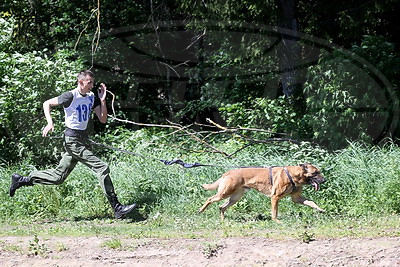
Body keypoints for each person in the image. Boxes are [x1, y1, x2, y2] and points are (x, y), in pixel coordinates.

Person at [9, 70, 137, 219]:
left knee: (58, 177)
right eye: (89, 83)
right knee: (102, 167)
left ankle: (22, 180)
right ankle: (117, 208)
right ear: (80, 82)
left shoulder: (91, 97)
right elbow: (47, 103)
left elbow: (102, 119)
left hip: (81, 140)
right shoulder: (70, 95)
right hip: (72, 141)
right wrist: (50, 123)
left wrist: (102, 100)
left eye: (93, 83)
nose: (92, 85)